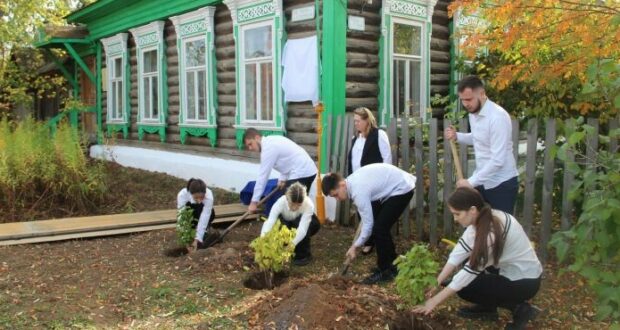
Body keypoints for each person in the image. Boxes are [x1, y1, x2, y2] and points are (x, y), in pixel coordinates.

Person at [413, 187, 542, 330]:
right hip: (509, 272)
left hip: (524, 282)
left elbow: (469, 272)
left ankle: (520, 308)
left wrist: (434, 301)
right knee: (462, 278)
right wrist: (437, 281)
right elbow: (459, 252)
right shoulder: (486, 217)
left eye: (457, 214)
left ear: (472, 210)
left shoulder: (491, 232)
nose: (455, 219)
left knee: (465, 287)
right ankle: (488, 307)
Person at [321, 163, 416, 284]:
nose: (337, 199)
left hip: (402, 188)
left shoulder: (358, 191)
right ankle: (393, 264)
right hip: (394, 186)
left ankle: (385, 271)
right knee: (381, 226)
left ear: (342, 184)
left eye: (336, 195)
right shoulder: (352, 183)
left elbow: (368, 225)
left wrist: (355, 246)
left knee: (379, 228)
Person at [444, 75, 519, 214]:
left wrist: (471, 182)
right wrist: (457, 136)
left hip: (501, 184)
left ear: (482, 94)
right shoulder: (474, 112)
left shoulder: (497, 118)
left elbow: (498, 160)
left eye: (469, 99)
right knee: (477, 223)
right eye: (463, 100)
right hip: (482, 180)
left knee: (500, 228)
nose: (466, 104)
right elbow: (479, 138)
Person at [347, 107, 393, 255]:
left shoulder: (379, 134)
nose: (356, 124)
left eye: (358, 121)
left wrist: (387, 181)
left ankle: (374, 242)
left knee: (375, 212)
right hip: (358, 182)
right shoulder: (356, 138)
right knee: (363, 211)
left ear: (367, 121)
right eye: (354, 121)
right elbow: (353, 160)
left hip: (375, 182)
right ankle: (368, 240)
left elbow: (387, 158)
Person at [243, 128, 317, 214]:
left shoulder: (268, 148)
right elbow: (286, 160)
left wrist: (254, 202)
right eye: (248, 146)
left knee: (289, 204)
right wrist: (282, 178)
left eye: (250, 144)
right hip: (307, 170)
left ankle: (284, 222)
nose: (250, 148)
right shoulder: (271, 140)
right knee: (282, 196)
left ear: (257, 137)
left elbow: (263, 177)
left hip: (302, 172)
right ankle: (274, 219)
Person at [260, 182, 321, 266]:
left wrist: (291, 245)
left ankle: (303, 256)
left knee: (304, 227)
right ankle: (280, 250)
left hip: (301, 223)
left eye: (299, 205)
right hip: (286, 222)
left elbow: (303, 229)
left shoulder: (309, 204)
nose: (295, 208)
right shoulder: (280, 202)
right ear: (287, 198)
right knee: (279, 226)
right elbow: (270, 221)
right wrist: (263, 239)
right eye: (292, 204)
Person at [176, 178, 215, 252]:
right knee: (188, 215)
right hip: (190, 210)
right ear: (191, 193)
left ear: (205, 192)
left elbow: (205, 216)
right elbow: (181, 216)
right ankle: (191, 231)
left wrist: (197, 239)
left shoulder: (209, 196)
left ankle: (205, 231)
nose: (199, 200)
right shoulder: (182, 195)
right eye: (196, 197)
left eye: (202, 197)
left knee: (211, 214)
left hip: (201, 211)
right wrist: (185, 238)